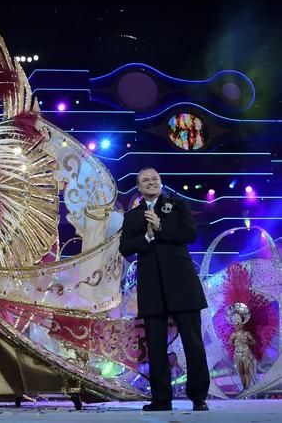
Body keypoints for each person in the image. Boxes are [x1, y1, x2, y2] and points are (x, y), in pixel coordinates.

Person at [119, 167, 210, 412]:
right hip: (151, 288)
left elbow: (189, 234)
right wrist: (147, 238)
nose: (150, 182)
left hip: (182, 284)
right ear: (138, 187)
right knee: (156, 346)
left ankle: (198, 396)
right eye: (145, 180)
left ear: (161, 182)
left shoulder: (177, 206)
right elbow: (125, 248)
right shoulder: (133, 217)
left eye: (154, 179)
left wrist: (160, 228)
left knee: (193, 342)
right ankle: (161, 399)